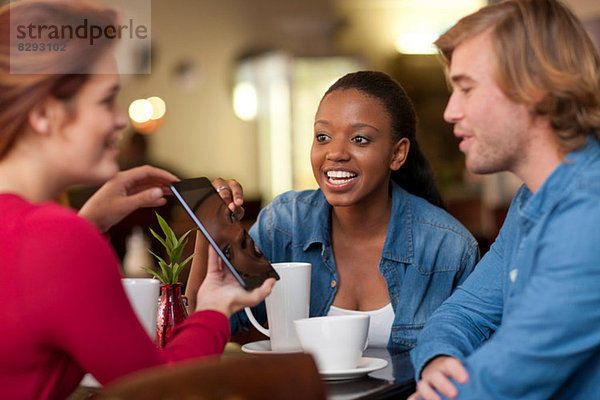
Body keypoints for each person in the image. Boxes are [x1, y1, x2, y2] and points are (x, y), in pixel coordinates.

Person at [0, 1, 273, 399]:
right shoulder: (58, 242)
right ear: (44, 113)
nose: (121, 120)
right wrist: (214, 307)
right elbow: (159, 390)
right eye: (106, 99)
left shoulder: (40, 237)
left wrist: (88, 223)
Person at [187, 71, 480, 350]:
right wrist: (209, 226)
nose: (335, 153)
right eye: (323, 137)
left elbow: (470, 360)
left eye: (359, 139)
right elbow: (202, 326)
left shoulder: (448, 248)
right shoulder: (284, 225)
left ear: (397, 154)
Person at [408, 1, 600, 399]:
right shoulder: (531, 198)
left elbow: (504, 382)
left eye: (466, 88)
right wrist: (439, 359)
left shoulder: (590, 211)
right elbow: (462, 313)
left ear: (535, 88)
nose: (449, 111)